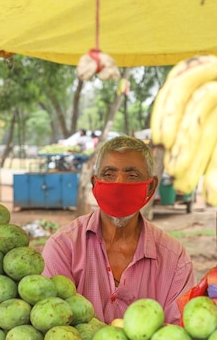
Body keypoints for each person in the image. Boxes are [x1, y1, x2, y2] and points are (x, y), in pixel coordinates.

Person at [42, 136, 196, 325]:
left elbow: (178, 335)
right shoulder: (63, 247)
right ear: (94, 183)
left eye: (132, 175)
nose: (119, 183)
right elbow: (52, 323)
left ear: (151, 186)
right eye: (109, 174)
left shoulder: (174, 259)